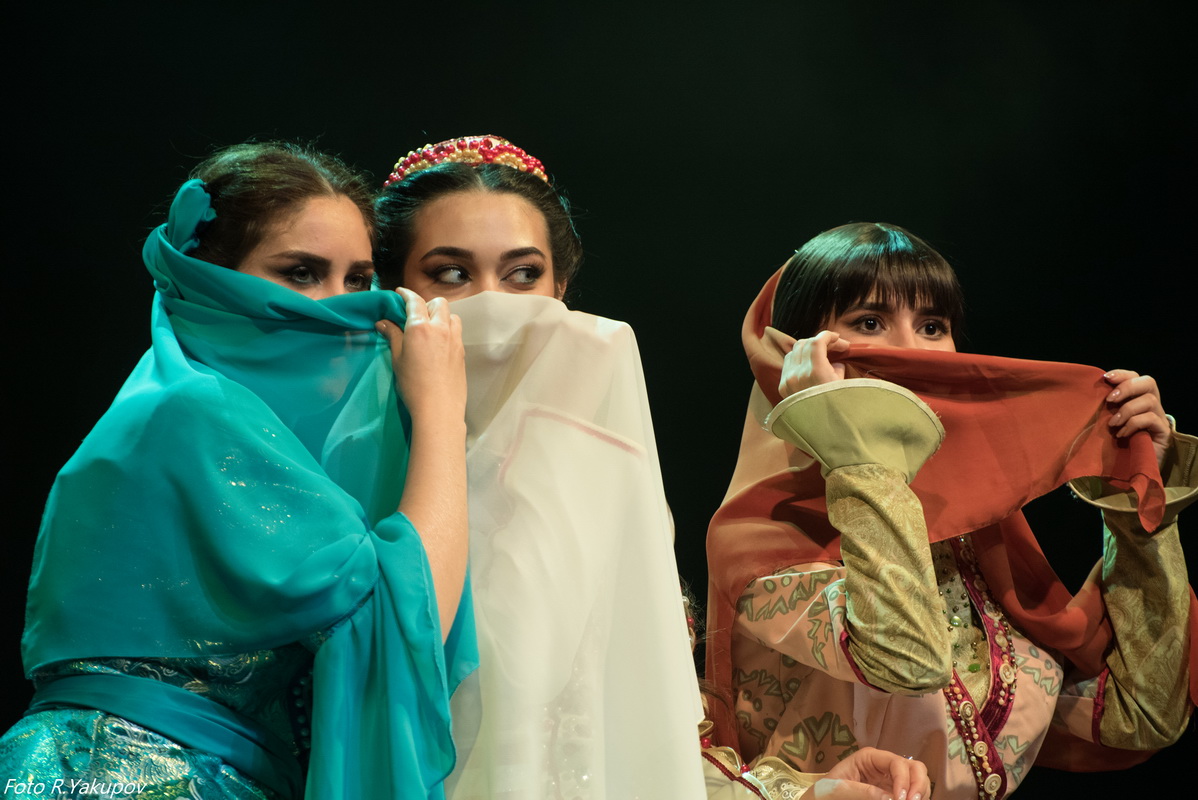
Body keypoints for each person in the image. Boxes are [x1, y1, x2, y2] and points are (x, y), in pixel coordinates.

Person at [376, 138, 932, 800]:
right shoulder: (357, 465)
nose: (494, 304)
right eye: (451, 274)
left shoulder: (600, 472)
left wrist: (803, 795)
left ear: (561, 290)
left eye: (523, 276)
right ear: (389, 288)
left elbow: (643, 745)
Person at [0, 142, 477, 799]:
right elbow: (398, 613)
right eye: (301, 273)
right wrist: (442, 414)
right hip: (123, 777)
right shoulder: (192, 411)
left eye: (358, 280)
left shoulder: (202, 411)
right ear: (210, 281)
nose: (339, 309)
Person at [705, 222, 1197, 799]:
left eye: (933, 327)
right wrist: (843, 429)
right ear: (796, 357)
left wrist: (1139, 506)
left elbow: (1142, 718)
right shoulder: (763, 541)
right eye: (869, 323)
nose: (911, 353)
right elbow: (907, 663)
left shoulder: (980, 542)